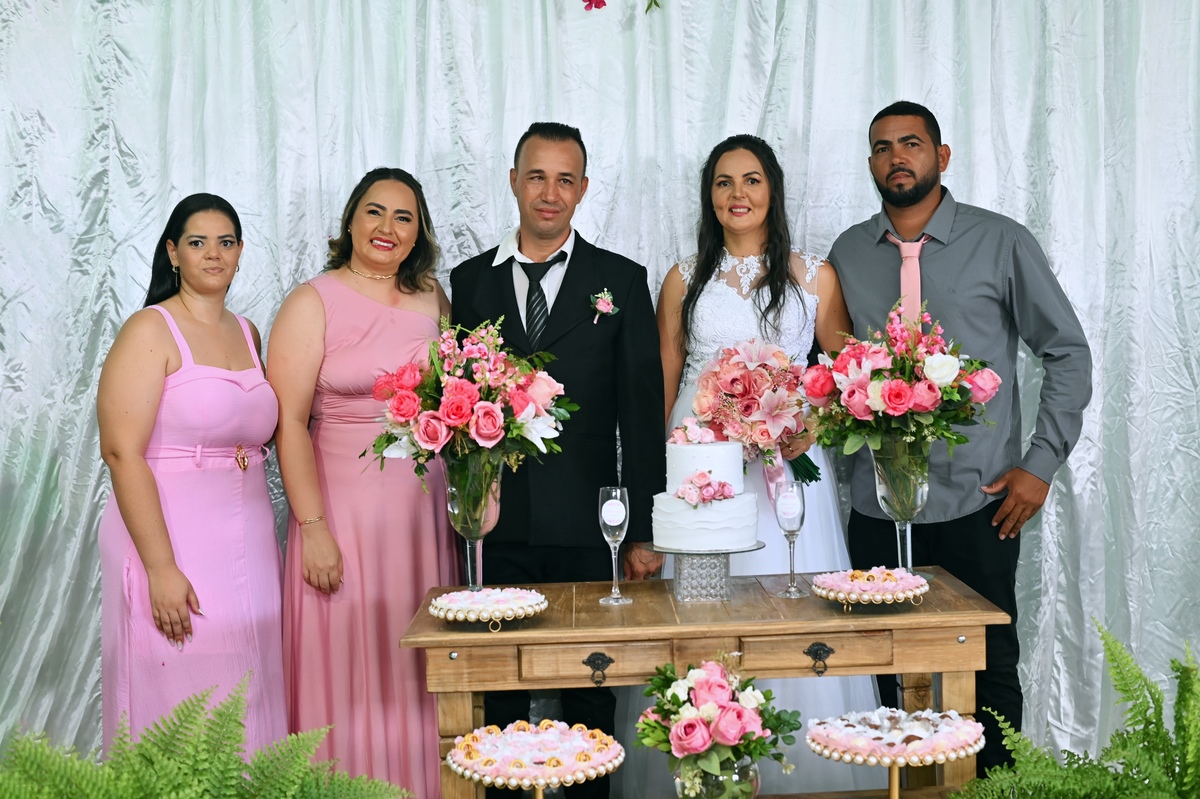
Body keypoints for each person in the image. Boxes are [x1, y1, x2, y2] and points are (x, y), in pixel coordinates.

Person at [612, 134, 884, 796]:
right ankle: (697, 760)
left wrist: (809, 425)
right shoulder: (683, 278)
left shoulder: (814, 276)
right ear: (709, 196)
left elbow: (845, 378)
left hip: (784, 473)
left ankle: (800, 775)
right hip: (699, 472)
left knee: (791, 606)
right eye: (724, 182)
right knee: (699, 613)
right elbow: (664, 384)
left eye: (752, 180)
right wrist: (654, 485)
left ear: (773, 191)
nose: (738, 193)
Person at [828, 101, 1093, 775]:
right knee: (883, 668)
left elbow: (1066, 351)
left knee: (988, 665)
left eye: (911, 143)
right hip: (878, 503)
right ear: (870, 164)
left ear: (941, 156)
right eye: (882, 147)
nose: (897, 157)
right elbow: (828, 365)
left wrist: (1040, 463)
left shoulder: (1001, 241)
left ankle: (996, 789)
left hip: (982, 500)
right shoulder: (847, 254)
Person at [450, 121, 665, 799]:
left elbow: (641, 416)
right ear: (514, 181)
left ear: (584, 188)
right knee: (501, 702)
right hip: (497, 528)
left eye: (565, 179)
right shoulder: (469, 282)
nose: (550, 193)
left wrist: (642, 531)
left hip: (590, 529)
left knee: (590, 697)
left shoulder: (621, 280)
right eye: (537, 176)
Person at [268, 168, 457, 793]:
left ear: (418, 233)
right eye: (375, 212)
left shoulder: (433, 299)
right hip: (340, 514)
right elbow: (289, 424)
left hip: (421, 518)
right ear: (350, 219)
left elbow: (456, 402)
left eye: (404, 218)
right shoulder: (311, 301)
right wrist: (313, 528)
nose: (387, 228)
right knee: (346, 659)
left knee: (417, 661)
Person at [97, 194, 286, 752]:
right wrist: (160, 568)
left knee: (249, 683)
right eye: (197, 242)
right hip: (170, 535)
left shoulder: (248, 332)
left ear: (241, 251)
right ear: (173, 253)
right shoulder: (149, 330)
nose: (213, 254)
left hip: (249, 538)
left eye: (225, 242)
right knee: (185, 690)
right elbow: (120, 452)